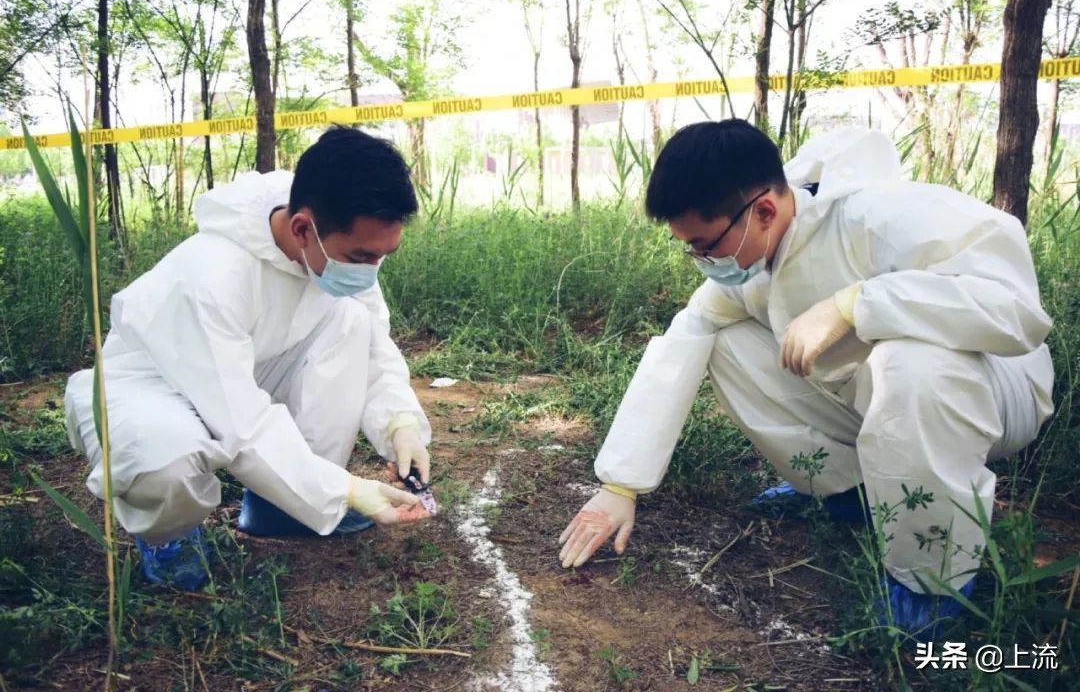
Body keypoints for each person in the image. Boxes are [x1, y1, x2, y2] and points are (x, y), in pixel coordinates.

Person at [557, 121, 1054, 637]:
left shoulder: (888, 215)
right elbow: (690, 332)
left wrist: (858, 304)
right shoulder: (757, 254)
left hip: (990, 392)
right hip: (880, 398)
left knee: (909, 362)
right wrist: (621, 483)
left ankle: (933, 578)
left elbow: (1018, 312)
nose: (703, 263)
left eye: (706, 246)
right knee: (725, 343)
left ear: (763, 212)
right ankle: (849, 491)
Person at [64, 126, 434, 590]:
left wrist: (400, 424)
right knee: (164, 463)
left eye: (383, 255)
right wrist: (346, 489)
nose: (370, 269)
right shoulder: (214, 275)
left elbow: (374, 346)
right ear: (302, 228)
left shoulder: (337, 248)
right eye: (361, 255)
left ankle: (282, 507)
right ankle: (168, 536)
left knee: (352, 323)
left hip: (247, 375)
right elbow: (242, 422)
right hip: (152, 390)